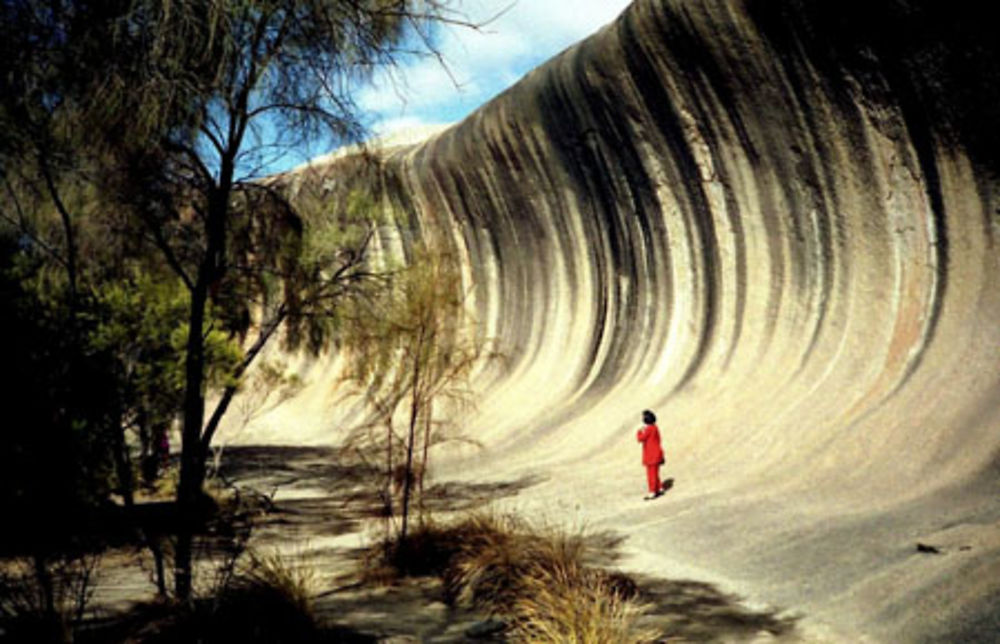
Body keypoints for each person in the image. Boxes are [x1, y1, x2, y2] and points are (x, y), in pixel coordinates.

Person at [637, 409, 664, 500]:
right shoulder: (655, 427)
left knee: (651, 474)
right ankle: (659, 488)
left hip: (651, 455)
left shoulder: (648, 429)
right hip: (657, 453)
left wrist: (640, 431)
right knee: (656, 473)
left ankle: (652, 491)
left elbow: (640, 439)